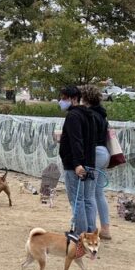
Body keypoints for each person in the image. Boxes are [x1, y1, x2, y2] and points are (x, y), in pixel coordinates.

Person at [58, 85, 97, 235]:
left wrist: (77, 164)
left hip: (76, 164)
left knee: (77, 199)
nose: (61, 102)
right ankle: (90, 231)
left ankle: (80, 233)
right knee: (87, 198)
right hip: (89, 161)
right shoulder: (89, 115)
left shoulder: (73, 116)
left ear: (74, 99)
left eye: (64, 98)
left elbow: (76, 141)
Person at [82, 85, 112, 240]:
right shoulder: (102, 114)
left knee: (89, 194)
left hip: (93, 153)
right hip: (104, 153)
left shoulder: (89, 115)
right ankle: (105, 228)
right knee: (99, 193)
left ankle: (92, 229)